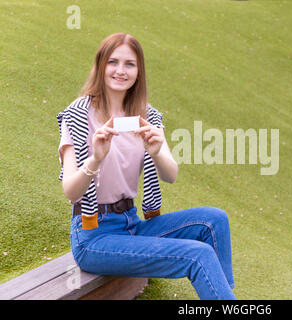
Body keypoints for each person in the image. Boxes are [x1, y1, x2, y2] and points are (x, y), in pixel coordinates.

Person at [57, 33, 236, 300]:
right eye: (113, 62)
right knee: (197, 255)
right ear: (100, 66)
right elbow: (71, 192)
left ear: (139, 71)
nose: (120, 71)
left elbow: (170, 175)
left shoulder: (147, 116)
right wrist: (95, 158)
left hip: (131, 223)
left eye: (129, 64)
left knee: (214, 220)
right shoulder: (77, 115)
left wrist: (156, 151)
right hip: (93, 236)